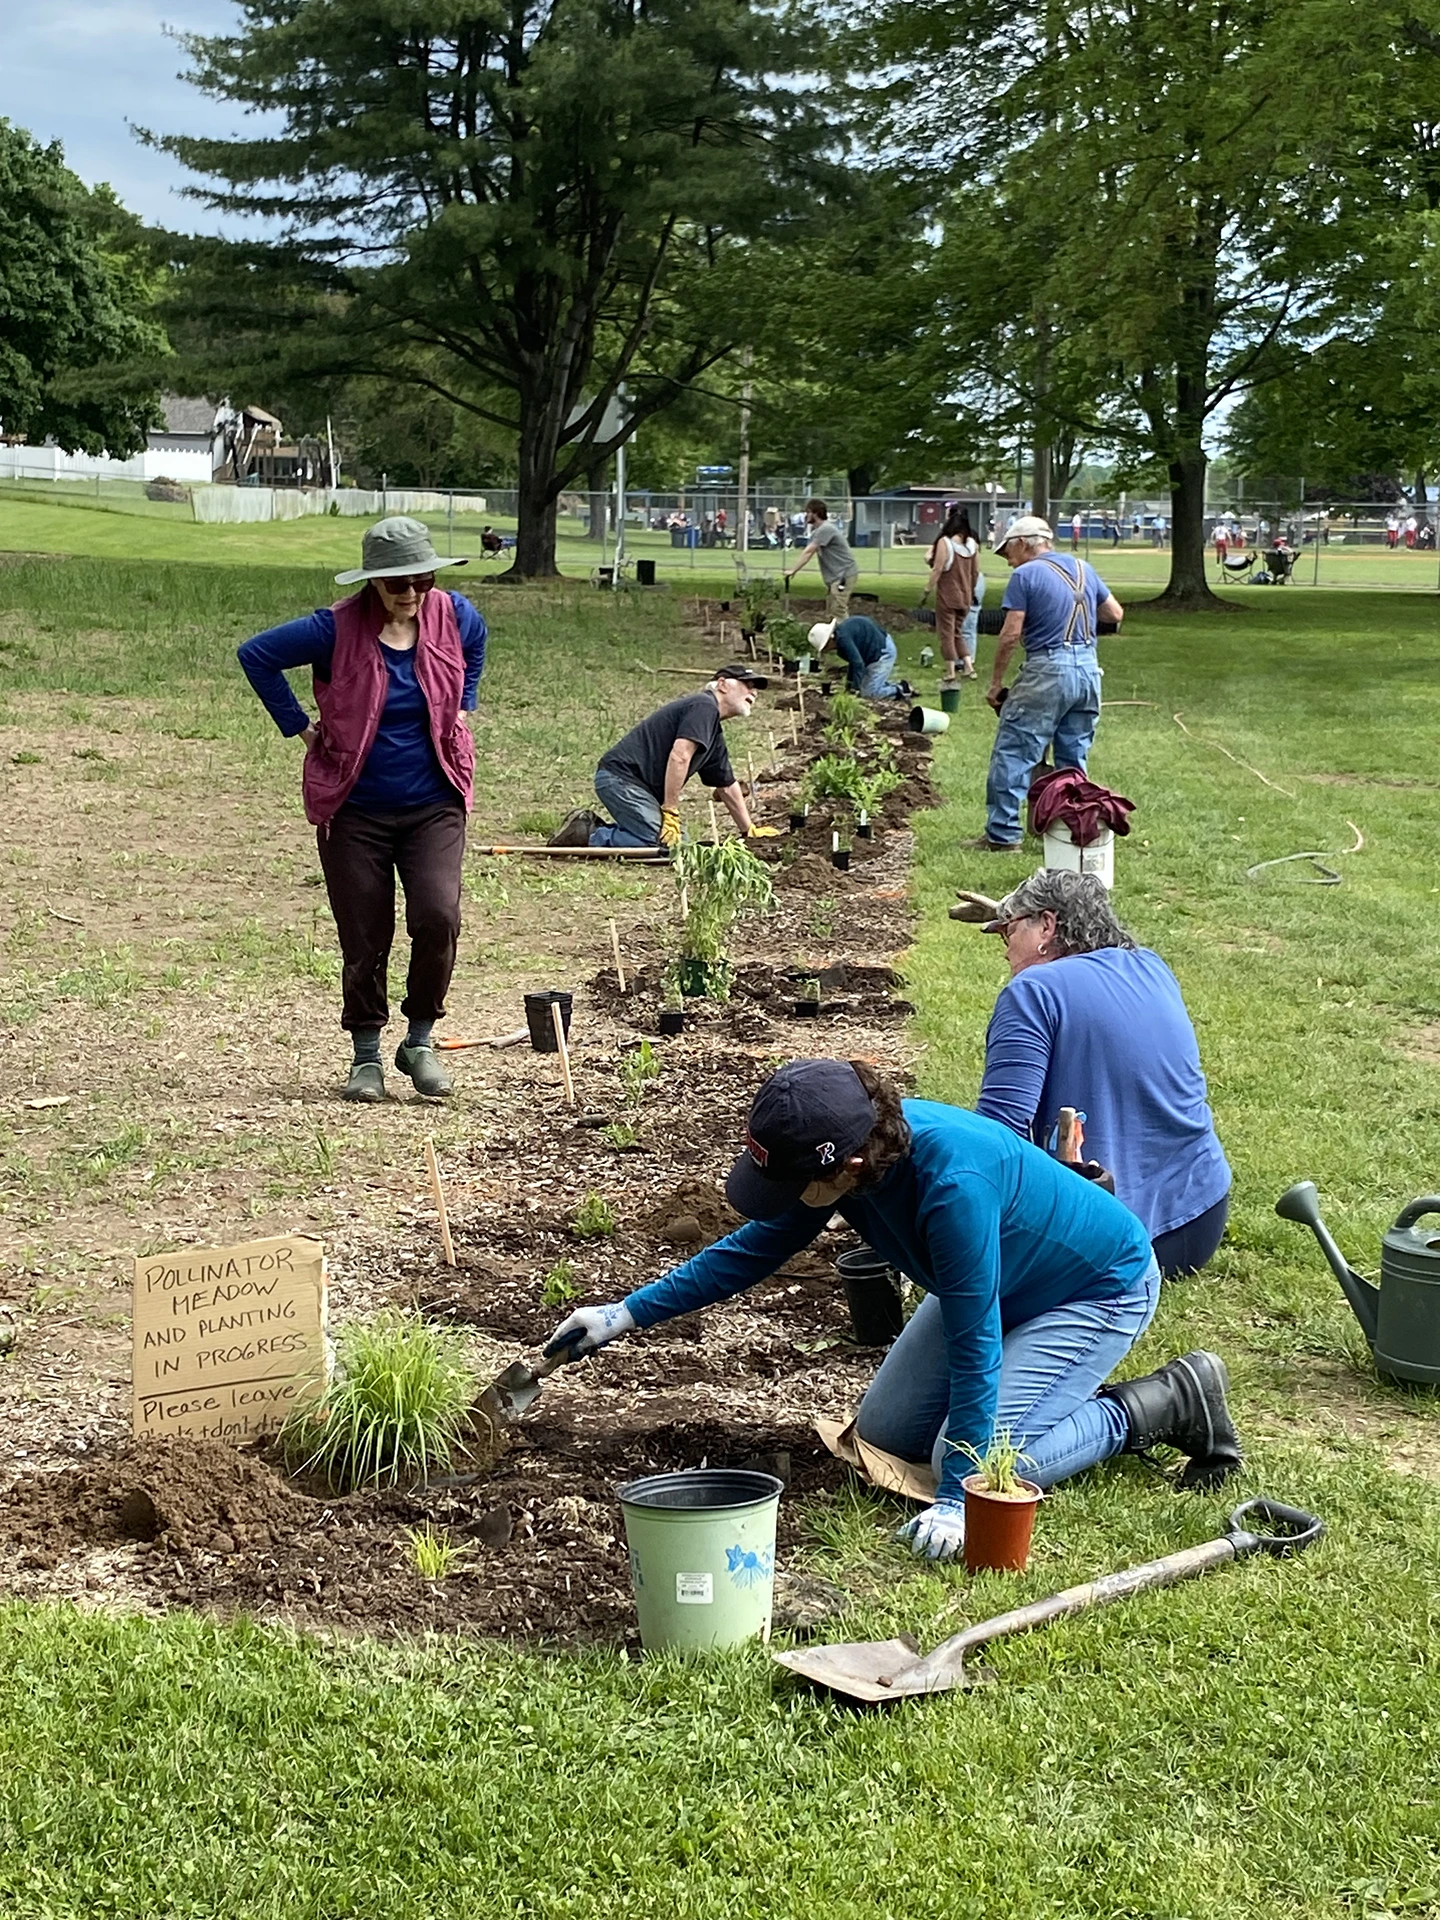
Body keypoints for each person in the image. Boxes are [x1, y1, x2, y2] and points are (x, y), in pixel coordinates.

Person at [543, 1059, 1242, 1561]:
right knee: (883, 1433)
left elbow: (976, 1342)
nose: (781, 1197)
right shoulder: (850, 1150)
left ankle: (1157, 1406)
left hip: (1095, 1290)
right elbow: (750, 1251)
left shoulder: (952, 1188)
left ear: (845, 1166)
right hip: (998, 1286)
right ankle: (1033, 1428)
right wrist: (623, 1315)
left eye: (790, 1182)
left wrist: (958, 1499)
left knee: (958, 1461)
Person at [238, 517, 486, 1103]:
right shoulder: (333, 628)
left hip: (434, 803)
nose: (411, 592)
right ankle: (367, 1056)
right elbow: (256, 656)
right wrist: (300, 730)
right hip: (354, 808)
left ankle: (420, 1040)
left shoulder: (455, 615)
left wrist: (465, 708)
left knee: (438, 915)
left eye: (421, 579)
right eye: (398, 581)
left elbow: (474, 650)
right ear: (374, 581)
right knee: (365, 933)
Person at [973, 871, 1231, 1277]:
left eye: (1009, 932)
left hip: (1106, 1238)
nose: (1006, 951)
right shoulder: (1151, 966)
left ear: (1047, 925)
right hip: (1199, 1219)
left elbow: (996, 1132)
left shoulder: (1033, 991)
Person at [963, 515, 1124, 853]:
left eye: (1007, 551)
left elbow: (1010, 635)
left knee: (1014, 750)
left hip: (1047, 670)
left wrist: (995, 683)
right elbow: (1114, 614)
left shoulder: (1025, 575)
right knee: (1073, 756)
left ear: (1024, 543)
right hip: (1088, 670)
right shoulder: (1083, 569)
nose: (1007, 560)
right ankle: (1067, 829)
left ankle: (1003, 836)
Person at [549, 665, 775, 848]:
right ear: (723, 684)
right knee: (668, 846)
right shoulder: (704, 706)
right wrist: (670, 810)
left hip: (635, 787)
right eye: (747, 684)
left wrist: (749, 830)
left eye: (755, 688)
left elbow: (727, 786)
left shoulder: (712, 730)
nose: (753, 692)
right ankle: (587, 834)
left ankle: (617, 830)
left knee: (677, 843)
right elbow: (680, 756)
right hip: (621, 779)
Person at [925, 506, 979, 683]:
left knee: (946, 633)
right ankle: (969, 667)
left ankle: (950, 672)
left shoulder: (945, 543)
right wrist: (970, 592)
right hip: (965, 597)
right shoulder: (972, 545)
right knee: (958, 633)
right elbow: (975, 571)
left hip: (948, 596)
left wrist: (927, 589)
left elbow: (938, 568)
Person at [786, 499, 859, 619]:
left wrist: (793, 570)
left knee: (838, 610)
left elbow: (809, 552)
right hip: (836, 577)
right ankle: (835, 636)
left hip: (844, 575)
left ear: (816, 513)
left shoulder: (826, 529)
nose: (806, 515)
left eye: (808, 512)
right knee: (832, 611)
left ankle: (848, 635)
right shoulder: (819, 531)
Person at [809, 616, 907, 700]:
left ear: (829, 640)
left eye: (825, 647)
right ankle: (883, 685)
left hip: (882, 652)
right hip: (871, 654)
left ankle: (901, 689)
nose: (826, 651)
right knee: (866, 687)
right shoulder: (841, 639)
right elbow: (854, 662)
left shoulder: (843, 639)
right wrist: (849, 686)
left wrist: (854, 690)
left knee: (870, 693)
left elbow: (858, 664)